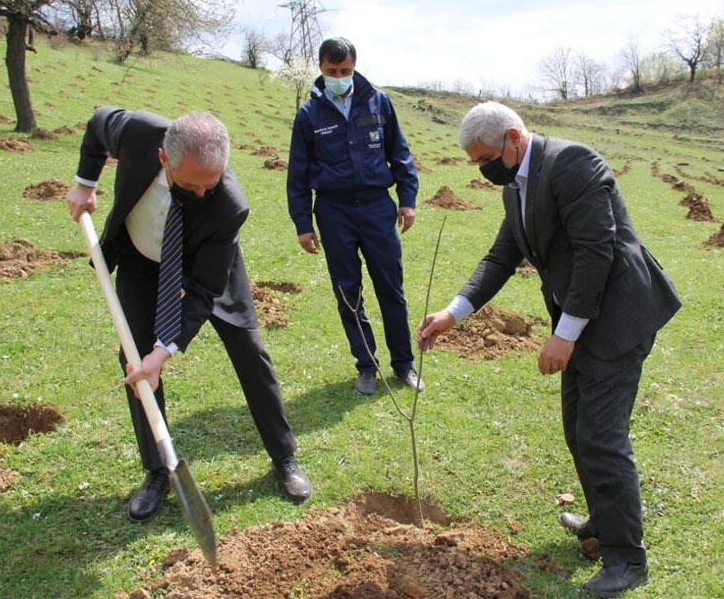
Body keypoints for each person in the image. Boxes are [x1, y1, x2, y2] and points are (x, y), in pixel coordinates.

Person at [417, 101, 681, 598]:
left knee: (601, 436)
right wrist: (453, 313)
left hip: (618, 314)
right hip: (580, 318)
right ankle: (602, 522)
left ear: (514, 138)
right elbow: (502, 256)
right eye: (475, 163)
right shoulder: (516, 186)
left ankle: (627, 559)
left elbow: (596, 250)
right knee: (577, 428)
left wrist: (565, 334)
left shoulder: (572, 163)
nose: (483, 169)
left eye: (484, 158)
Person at [66, 107, 312, 522]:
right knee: (136, 363)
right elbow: (94, 125)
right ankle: (157, 469)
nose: (201, 194)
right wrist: (84, 184)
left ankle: (284, 457)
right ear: (164, 157)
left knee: (249, 351)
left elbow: (202, 291)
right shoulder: (138, 133)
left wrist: (166, 351)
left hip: (207, 264)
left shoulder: (229, 205)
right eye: (189, 185)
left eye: (209, 185)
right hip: (141, 257)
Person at [286, 37, 423, 396]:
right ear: (321, 69)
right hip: (334, 212)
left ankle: (404, 364)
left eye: (345, 70)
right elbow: (297, 176)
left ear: (355, 66)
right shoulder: (308, 115)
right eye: (332, 72)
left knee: (391, 287)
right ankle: (366, 365)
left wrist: (407, 200)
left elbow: (401, 155)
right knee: (348, 293)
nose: (339, 77)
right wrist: (303, 224)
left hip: (378, 208)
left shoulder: (379, 102)